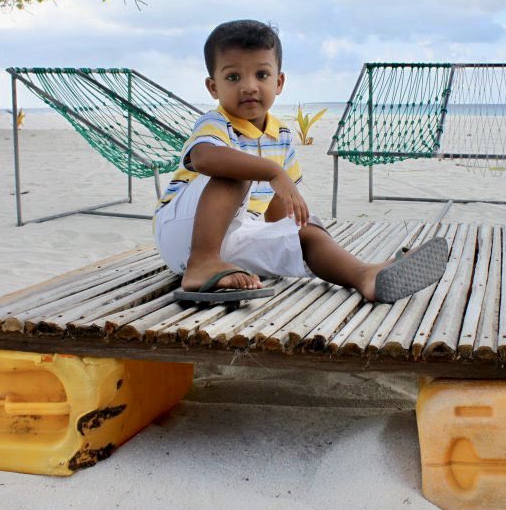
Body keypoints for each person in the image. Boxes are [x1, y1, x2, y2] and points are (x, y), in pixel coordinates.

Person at [153, 19, 447, 303]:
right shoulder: (215, 122)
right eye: (233, 77)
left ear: (279, 82)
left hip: (235, 236)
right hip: (184, 232)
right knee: (238, 168)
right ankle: (203, 261)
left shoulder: (280, 134)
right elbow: (205, 158)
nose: (249, 86)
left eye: (262, 75)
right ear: (213, 87)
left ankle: (364, 276)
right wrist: (270, 170)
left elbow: (278, 211)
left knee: (304, 231)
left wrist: (293, 235)